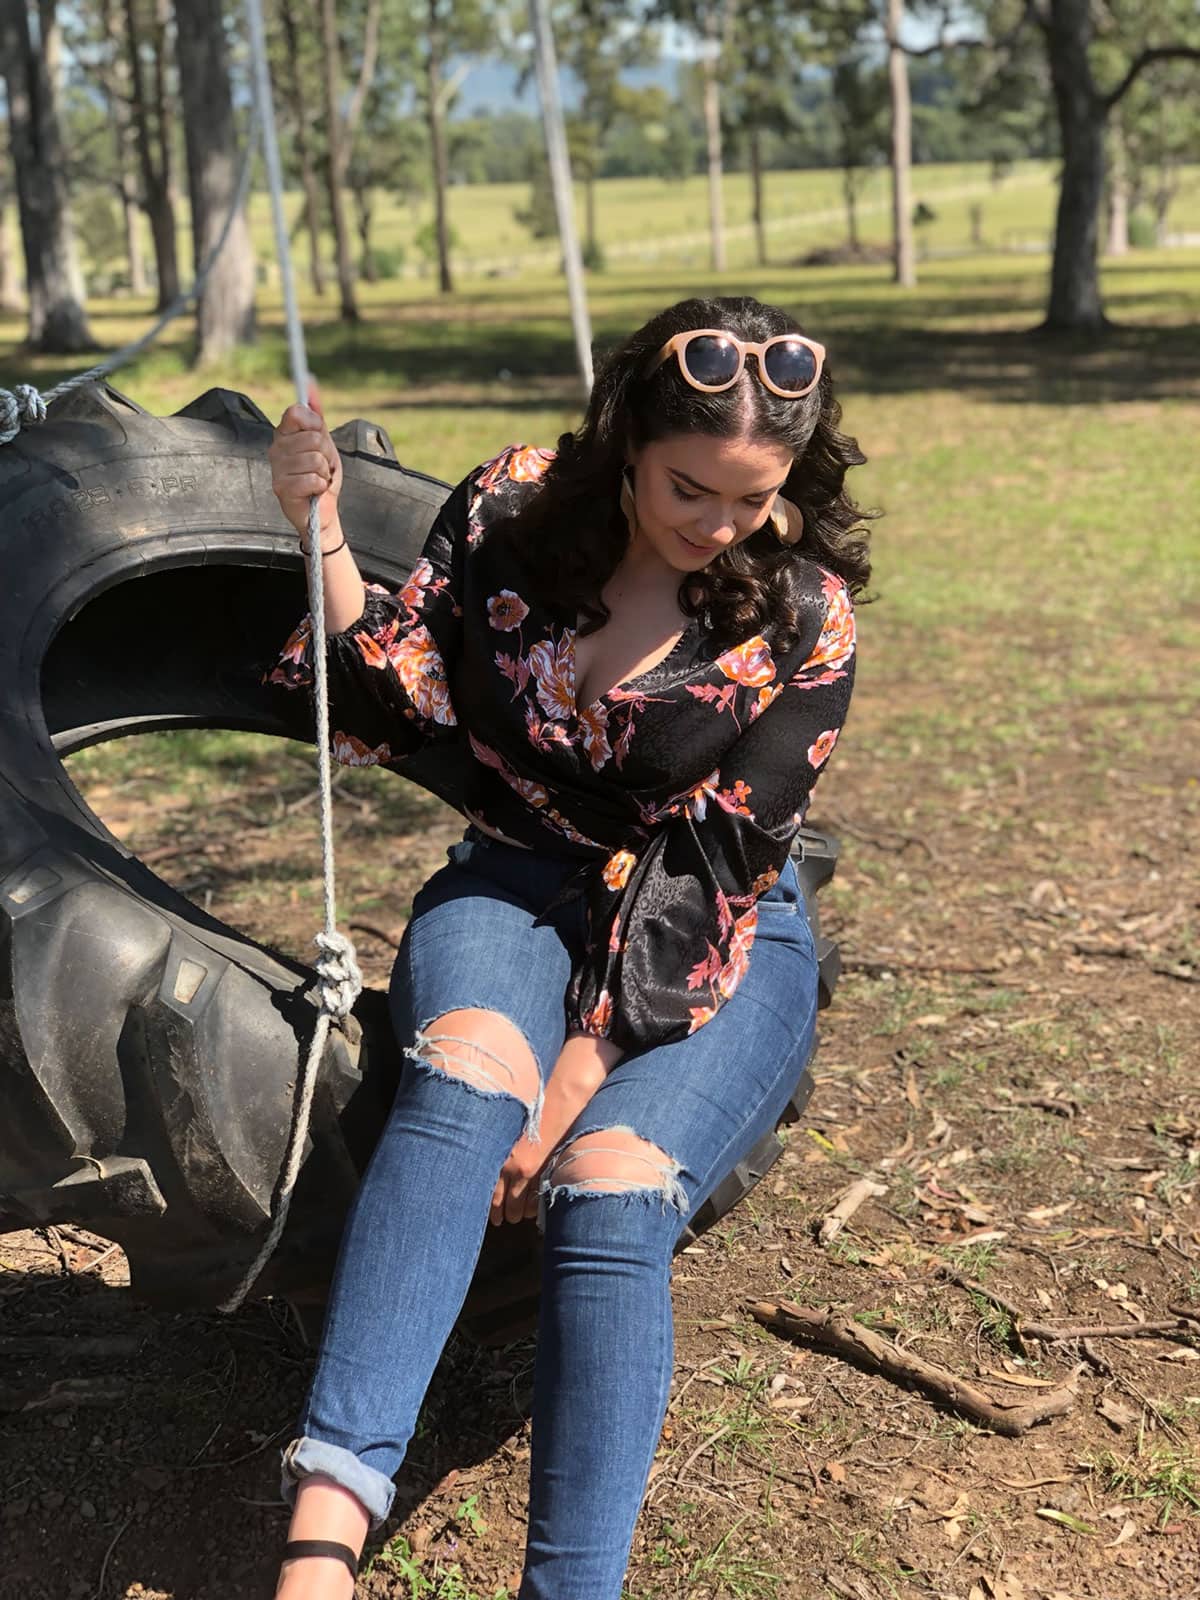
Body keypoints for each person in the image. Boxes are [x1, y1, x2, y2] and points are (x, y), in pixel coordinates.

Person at [263, 294, 872, 1600]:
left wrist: (581, 1074)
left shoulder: (806, 617)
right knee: (461, 1082)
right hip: (516, 881)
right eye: (689, 487)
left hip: (713, 929)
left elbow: (715, 870)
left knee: (604, 1187)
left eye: (751, 498)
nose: (718, 524)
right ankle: (321, 1546)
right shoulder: (510, 511)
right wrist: (312, 526)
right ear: (630, 436)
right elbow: (398, 687)